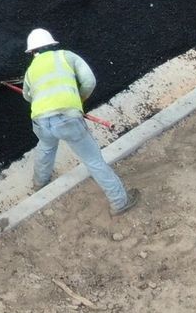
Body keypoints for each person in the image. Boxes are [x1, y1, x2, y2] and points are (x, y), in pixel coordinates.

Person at [23, 28, 139, 215]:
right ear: (52, 44)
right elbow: (89, 82)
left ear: (32, 52)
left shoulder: (30, 71)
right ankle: (119, 202)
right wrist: (78, 100)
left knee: (45, 148)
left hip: (41, 121)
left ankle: (39, 183)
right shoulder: (66, 56)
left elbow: (28, 97)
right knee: (93, 160)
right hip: (68, 119)